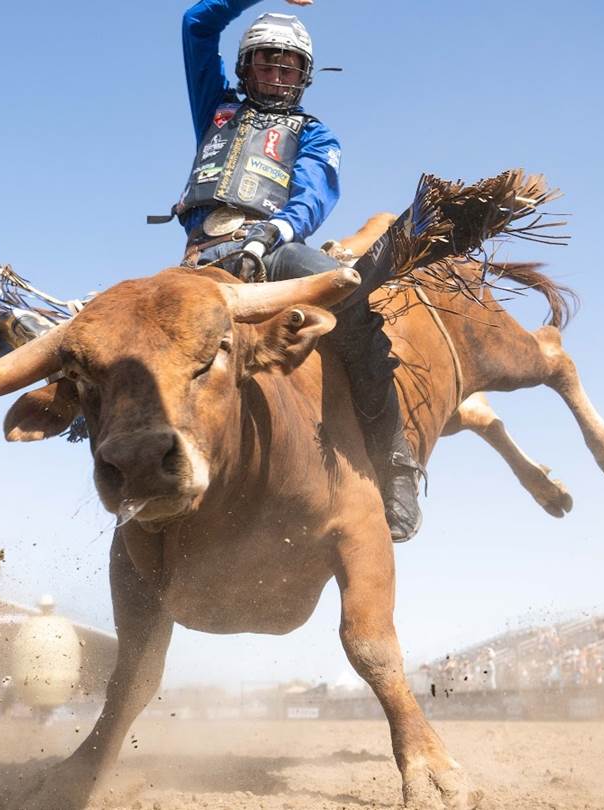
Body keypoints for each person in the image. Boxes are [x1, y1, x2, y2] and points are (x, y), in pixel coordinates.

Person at [163, 0, 422, 540]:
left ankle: (394, 466)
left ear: (303, 76)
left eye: (288, 67)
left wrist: (271, 233)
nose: (275, 75)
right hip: (201, 257)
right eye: (264, 64)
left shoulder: (316, 134)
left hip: (276, 250)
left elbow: (313, 195)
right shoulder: (214, 107)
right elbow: (196, 22)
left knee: (348, 295)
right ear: (244, 67)